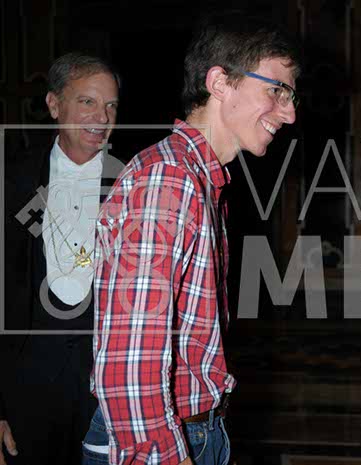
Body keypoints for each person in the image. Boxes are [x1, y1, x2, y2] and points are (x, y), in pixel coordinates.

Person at [81, 15, 300, 465]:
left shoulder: (199, 178)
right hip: (164, 439)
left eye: (291, 96)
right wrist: (165, 455)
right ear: (219, 83)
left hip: (196, 427)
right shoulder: (170, 178)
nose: (289, 113)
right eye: (277, 91)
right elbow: (130, 360)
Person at [0, 52, 120, 465]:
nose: (101, 117)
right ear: (54, 105)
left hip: (108, 396)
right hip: (26, 393)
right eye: (87, 101)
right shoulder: (13, 179)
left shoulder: (133, 181)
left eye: (111, 105)